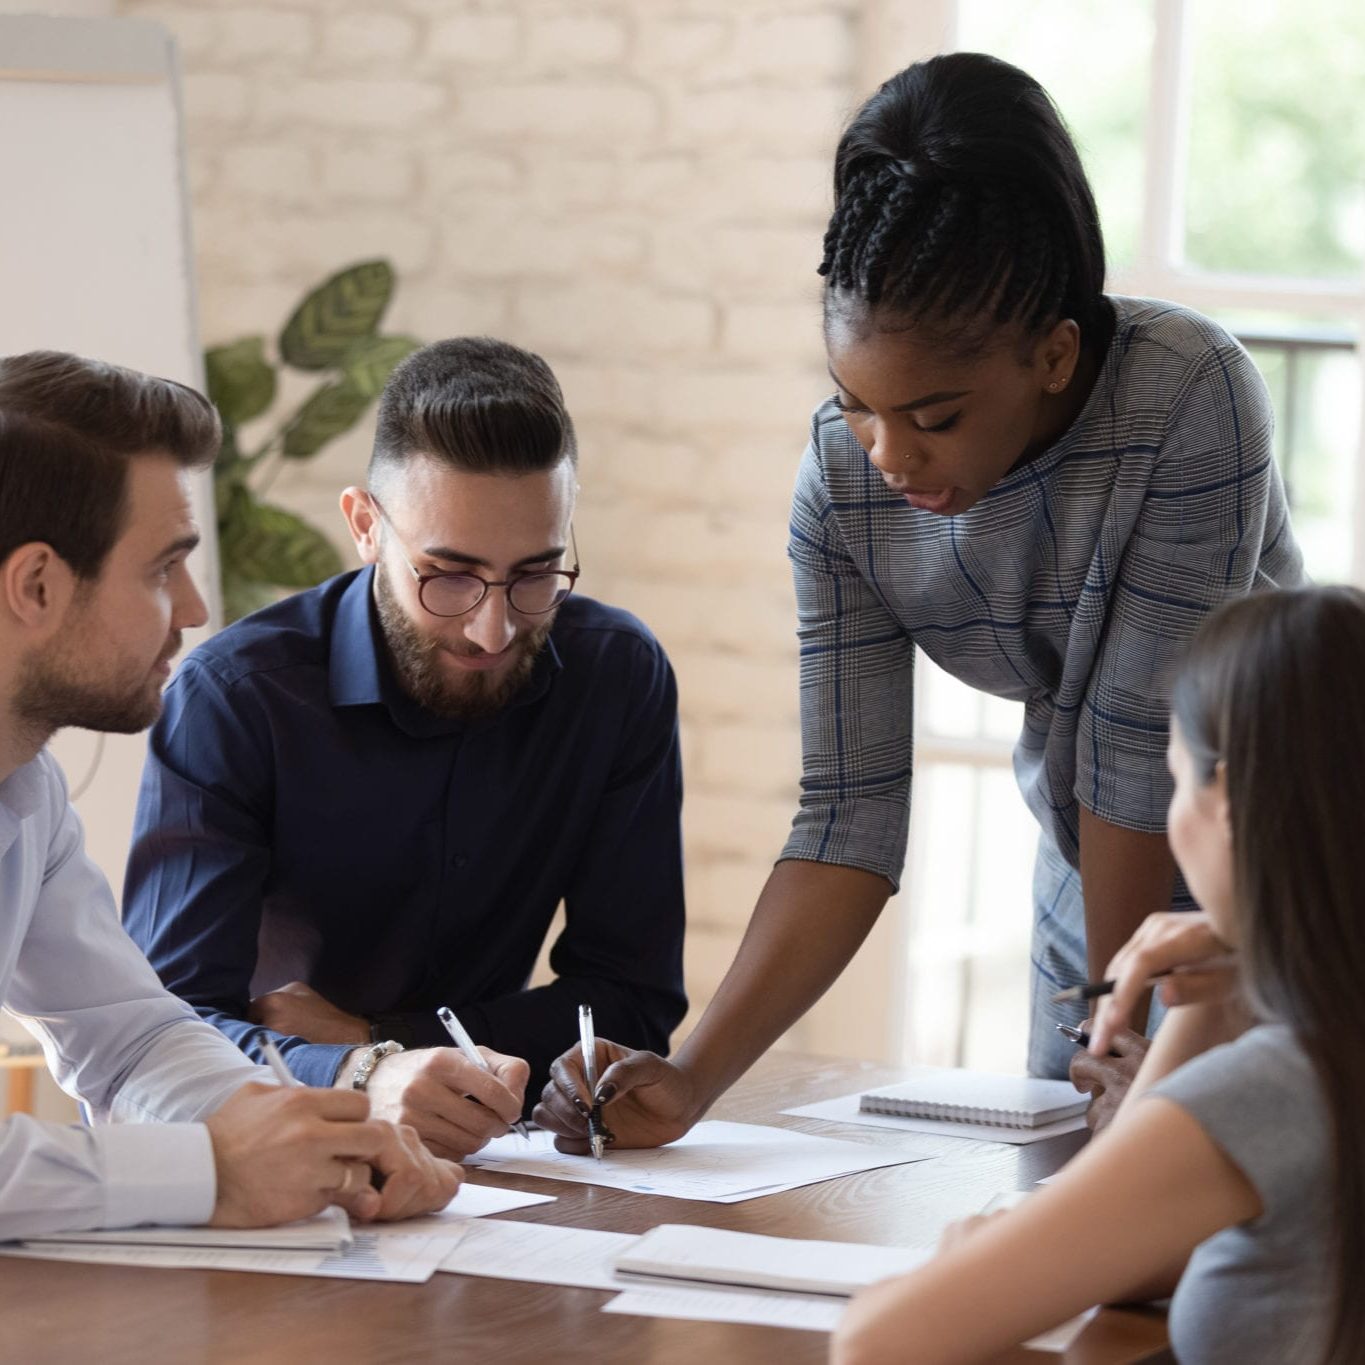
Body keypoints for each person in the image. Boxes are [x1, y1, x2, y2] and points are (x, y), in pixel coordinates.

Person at [534, 51, 1304, 1149]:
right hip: (1092, 883)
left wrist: (1115, 1035)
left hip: (1290, 876)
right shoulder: (842, 483)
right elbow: (848, 813)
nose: (889, 452)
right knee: (1083, 1242)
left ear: (1053, 354)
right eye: (856, 404)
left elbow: (1139, 765)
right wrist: (694, 1078)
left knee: (1227, 1250)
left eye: (935, 416)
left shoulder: (1187, 395)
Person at [123, 337, 686, 1161]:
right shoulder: (237, 698)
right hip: (273, 1164)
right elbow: (164, 1033)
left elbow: (632, 1004)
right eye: (447, 575)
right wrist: (358, 1071)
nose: (491, 628)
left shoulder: (616, 676)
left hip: (502, 1173)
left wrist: (379, 1042)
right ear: (364, 526)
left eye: (535, 575)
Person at [830, 584, 1363, 1365]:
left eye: (1176, 779)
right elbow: (1141, 1254)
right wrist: (1206, 994)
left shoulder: (1284, 1083)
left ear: (1230, 802)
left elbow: (877, 1341)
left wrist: (975, 1254)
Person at [0, 350, 460, 1240]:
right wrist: (205, 1169)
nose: (195, 607)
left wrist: (322, 1137)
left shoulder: (27, 785)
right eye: (160, 568)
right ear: (38, 586)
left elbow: (130, 1034)